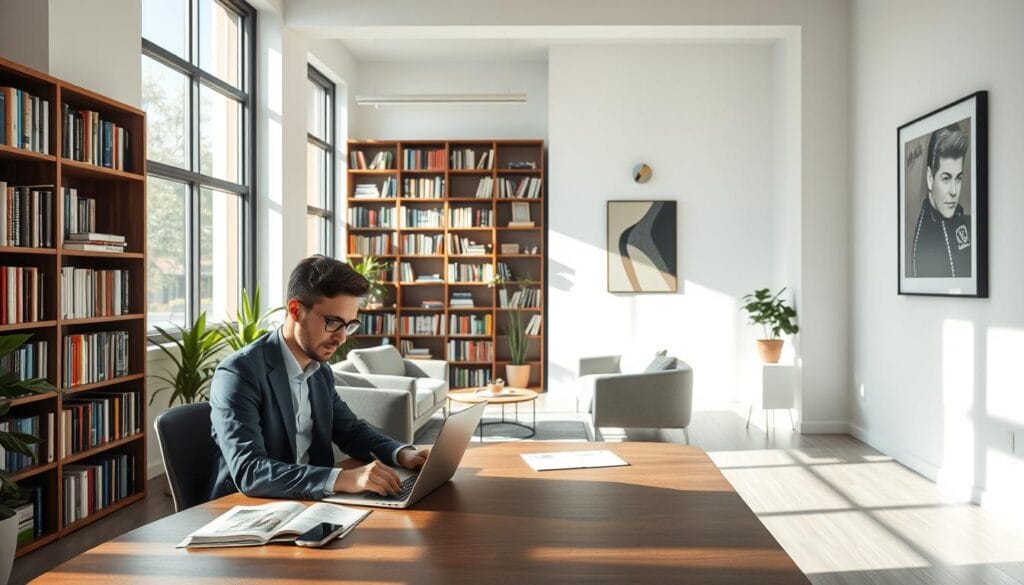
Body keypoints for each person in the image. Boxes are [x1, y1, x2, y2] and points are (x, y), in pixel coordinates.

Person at [208, 255, 429, 501]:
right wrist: (345, 478)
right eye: (333, 322)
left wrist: (401, 453)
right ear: (295, 310)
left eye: (349, 325)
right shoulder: (239, 374)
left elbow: (351, 432)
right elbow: (251, 472)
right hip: (248, 511)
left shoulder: (319, 370)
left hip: (312, 502)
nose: (342, 337)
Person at [910, 123, 971, 278]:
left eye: (958, 178)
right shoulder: (925, 241)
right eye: (946, 178)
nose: (954, 191)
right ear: (930, 178)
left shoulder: (963, 220)